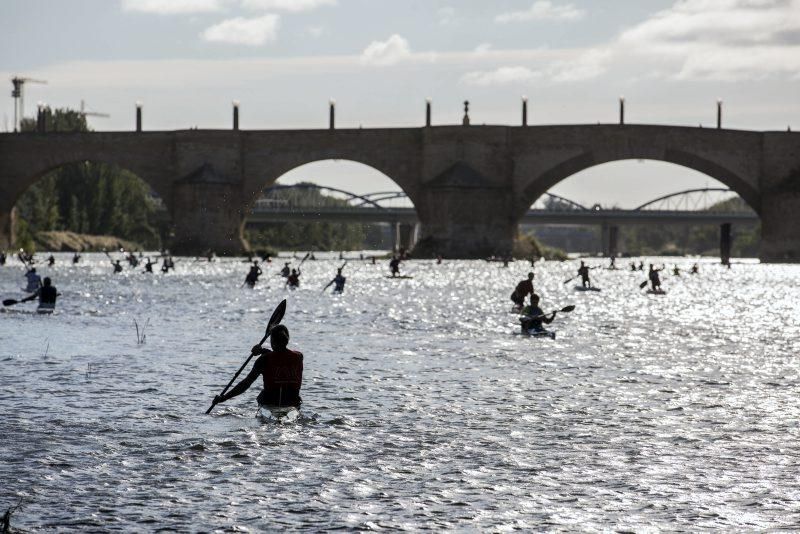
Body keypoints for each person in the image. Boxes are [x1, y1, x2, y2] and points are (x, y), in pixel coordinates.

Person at [212, 325, 303, 409]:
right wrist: (263, 351)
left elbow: (245, 384)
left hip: (270, 403)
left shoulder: (263, 360)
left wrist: (224, 398)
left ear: (272, 341)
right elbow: (281, 356)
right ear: (287, 340)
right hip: (292, 404)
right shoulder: (299, 357)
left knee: (262, 396)